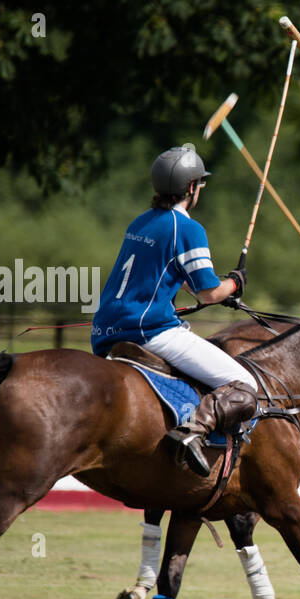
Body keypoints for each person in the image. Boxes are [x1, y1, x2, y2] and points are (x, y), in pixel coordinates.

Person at [92, 145, 259, 476]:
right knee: (244, 382)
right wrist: (235, 284)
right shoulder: (188, 228)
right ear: (192, 187)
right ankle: (194, 433)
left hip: (104, 332)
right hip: (151, 332)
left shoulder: (141, 222)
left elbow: (163, 272)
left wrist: (203, 287)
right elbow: (209, 292)